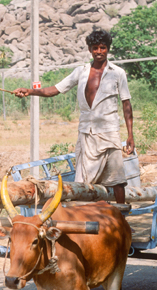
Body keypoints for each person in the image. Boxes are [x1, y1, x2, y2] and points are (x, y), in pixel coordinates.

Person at [12, 29, 135, 204]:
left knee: (117, 179)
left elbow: (126, 104)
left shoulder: (117, 73)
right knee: (83, 180)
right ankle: (86, 217)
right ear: (89, 49)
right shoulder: (81, 72)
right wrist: (30, 91)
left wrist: (130, 135)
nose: (99, 52)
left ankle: (122, 217)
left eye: (102, 48)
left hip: (109, 132)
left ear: (108, 49)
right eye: (95, 48)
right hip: (86, 133)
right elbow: (54, 90)